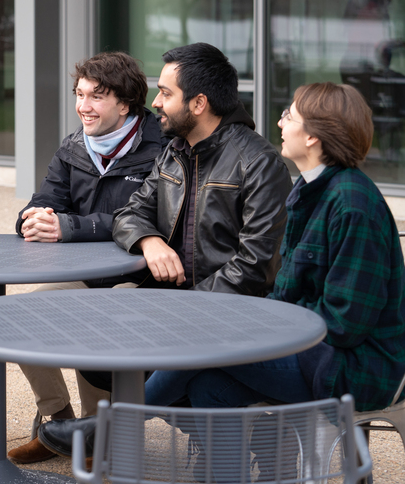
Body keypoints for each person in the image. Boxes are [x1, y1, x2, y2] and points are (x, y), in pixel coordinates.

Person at [36, 42, 292, 459]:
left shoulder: (258, 163)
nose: (155, 103)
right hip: (175, 300)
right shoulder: (175, 152)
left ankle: (112, 429)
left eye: (166, 93)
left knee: (159, 359)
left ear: (199, 102)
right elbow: (129, 214)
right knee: (94, 342)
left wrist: (183, 313)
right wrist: (148, 240)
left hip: (232, 313)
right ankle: (227, 436)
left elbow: (254, 266)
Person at [144, 82, 405, 481]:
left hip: (351, 368)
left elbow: (345, 323)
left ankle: (105, 427)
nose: (280, 122)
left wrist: (265, 327)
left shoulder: (354, 205)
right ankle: (235, 470)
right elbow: (285, 292)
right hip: (309, 347)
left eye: (289, 116)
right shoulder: (307, 191)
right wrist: (261, 323)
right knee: (209, 384)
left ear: (313, 135)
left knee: (203, 343)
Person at [7, 51, 166, 464]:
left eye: (96, 97)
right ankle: (57, 424)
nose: (83, 106)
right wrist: (34, 216)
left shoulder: (161, 147)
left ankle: (98, 434)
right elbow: (47, 196)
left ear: (125, 104)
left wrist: (69, 228)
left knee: (88, 318)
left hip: (140, 274)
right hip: (84, 272)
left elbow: (148, 218)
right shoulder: (75, 144)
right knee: (17, 317)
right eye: (79, 95)